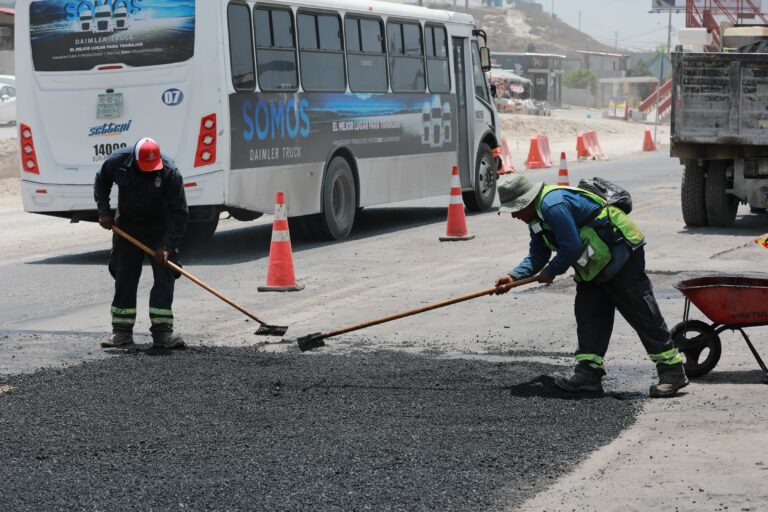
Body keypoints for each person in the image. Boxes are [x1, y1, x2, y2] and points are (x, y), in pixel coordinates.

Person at [493, 175, 688, 398]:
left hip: (619, 251)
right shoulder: (535, 219)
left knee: (640, 310)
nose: (515, 215)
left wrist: (550, 272)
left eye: (516, 209)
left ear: (526, 201)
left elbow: (571, 247)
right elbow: (538, 253)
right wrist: (513, 276)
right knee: (589, 313)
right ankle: (588, 375)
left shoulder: (552, 206)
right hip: (594, 261)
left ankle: (672, 371)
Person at [94, 137, 189, 349]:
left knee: (164, 277)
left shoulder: (170, 172)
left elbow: (180, 213)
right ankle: (121, 333)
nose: (148, 171)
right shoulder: (117, 162)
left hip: (160, 228)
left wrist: (167, 247)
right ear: (135, 158)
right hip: (128, 227)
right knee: (124, 277)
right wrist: (103, 212)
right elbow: (101, 182)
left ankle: (163, 333)